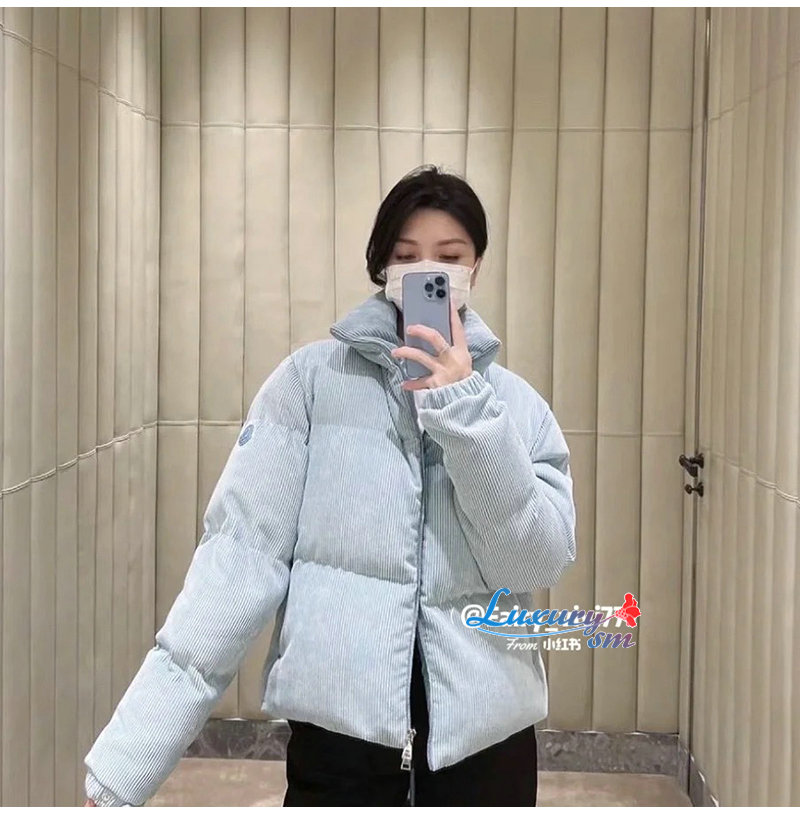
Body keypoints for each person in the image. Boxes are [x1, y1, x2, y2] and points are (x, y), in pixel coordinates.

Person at [83, 164, 576, 807]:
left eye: (449, 258)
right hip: (341, 752)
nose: (427, 273)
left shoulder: (515, 408)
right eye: (407, 257)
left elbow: (533, 562)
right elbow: (235, 567)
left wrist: (466, 413)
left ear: (475, 267)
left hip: (488, 753)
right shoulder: (308, 387)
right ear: (383, 267)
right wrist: (124, 768)